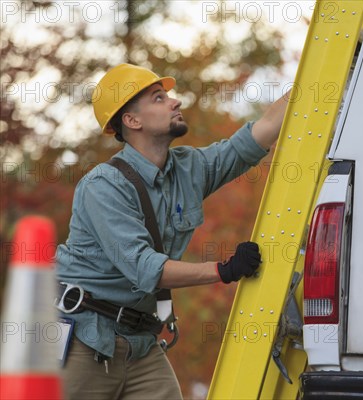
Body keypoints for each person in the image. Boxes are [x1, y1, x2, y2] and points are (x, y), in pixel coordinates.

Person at [55, 63, 288, 399]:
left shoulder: (188, 168)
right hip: (85, 339)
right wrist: (224, 269)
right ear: (132, 121)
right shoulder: (103, 187)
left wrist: (316, 82)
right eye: (159, 98)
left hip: (140, 343)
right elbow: (143, 267)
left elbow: (258, 133)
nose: (175, 102)